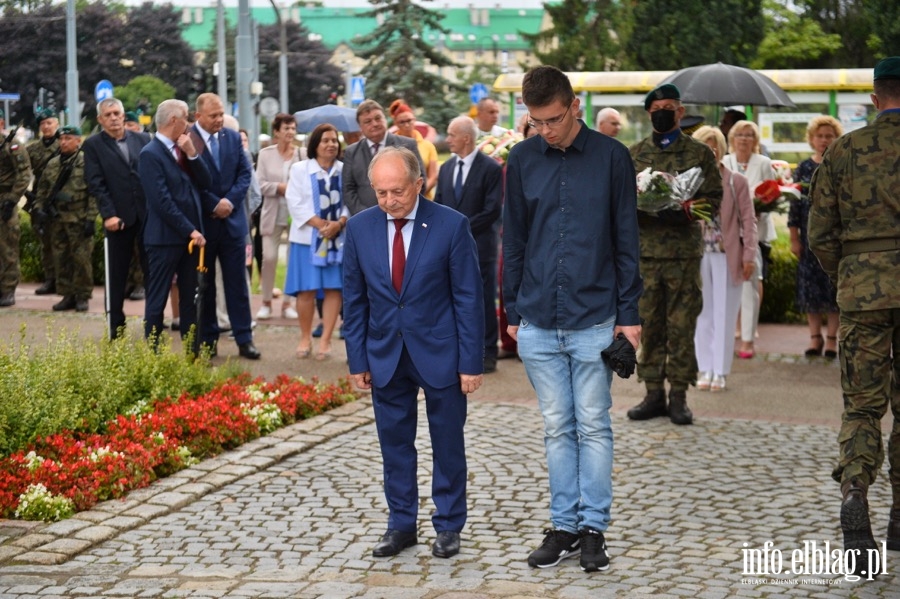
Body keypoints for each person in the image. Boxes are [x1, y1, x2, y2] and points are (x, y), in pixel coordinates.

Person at [504, 65, 642, 572]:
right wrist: (511, 308)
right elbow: (514, 239)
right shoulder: (521, 159)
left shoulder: (612, 158)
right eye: (537, 122)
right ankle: (562, 526)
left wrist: (630, 316)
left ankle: (593, 532)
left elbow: (627, 240)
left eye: (554, 119)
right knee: (556, 426)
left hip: (594, 316)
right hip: (537, 316)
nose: (547, 130)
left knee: (593, 425)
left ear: (574, 105)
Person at [343, 146, 483, 560]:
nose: (388, 201)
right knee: (395, 446)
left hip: (440, 353)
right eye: (380, 193)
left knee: (447, 443)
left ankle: (449, 525)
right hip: (385, 354)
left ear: (419, 184)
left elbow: (468, 299)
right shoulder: (360, 228)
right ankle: (401, 524)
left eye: (397, 192)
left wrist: (470, 363)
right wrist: (358, 360)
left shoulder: (452, 226)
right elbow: (355, 301)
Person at [808, 56, 900, 574]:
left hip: (863, 289)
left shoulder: (844, 149)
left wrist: (853, 271)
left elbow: (821, 233)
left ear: (874, 98)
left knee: (862, 406)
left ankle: (856, 492)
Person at [626, 83, 722, 425]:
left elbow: (713, 203)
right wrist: (641, 208)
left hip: (682, 254)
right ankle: (652, 392)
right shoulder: (634, 154)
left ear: (680, 112)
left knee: (681, 326)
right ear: (649, 113)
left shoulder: (699, 155)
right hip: (647, 255)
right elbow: (620, 202)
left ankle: (679, 394)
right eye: (656, 109)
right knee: (648, 325)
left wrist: (682, 212)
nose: (663, 113)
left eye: (669, 107)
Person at [190, 93, 260, 360]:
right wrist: (214, 203)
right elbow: (190, 180)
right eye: (214, 115)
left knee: (237, 286)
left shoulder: (231, 137)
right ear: (198, 116)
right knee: (205, 285)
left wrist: (229, 201)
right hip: (204, 226)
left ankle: (244, 338)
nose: (220, 119)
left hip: (232, 225)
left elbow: (245, 174)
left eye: (221, 114)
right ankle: (208, 340)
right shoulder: (189, 140)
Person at [138, 99, 211, 347]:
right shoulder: (150, 154)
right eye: (186, 118)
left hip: (189, 240)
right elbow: (162, 202)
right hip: (164, 240)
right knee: (157, 299)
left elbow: (206, 182)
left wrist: (192, 154)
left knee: (189, 299)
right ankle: (153, 354)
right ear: (173, 120)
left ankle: (192, 352)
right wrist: (190, 230)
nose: (189, 123)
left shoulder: (184, 148)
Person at [691, 126, 758, 392]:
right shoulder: (691, 182)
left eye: (715, 145)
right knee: (702, 315)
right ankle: (704, 368)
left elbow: (749, 222)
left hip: (727, 255)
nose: (711, 150)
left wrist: (749, 255)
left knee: (725, 315)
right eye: (705, 146)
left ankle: (720, 371)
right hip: (698, 256)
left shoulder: (735, 181)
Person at [435, 116, 503, 373]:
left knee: (483, 300)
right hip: (449, 250)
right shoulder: (447, 168)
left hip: (480, 247)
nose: (448, 139)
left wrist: (458, 230)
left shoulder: (491, 168)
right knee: (451, 299)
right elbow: (439, 204)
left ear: (466, 137)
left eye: (451, 134)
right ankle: (456, 351)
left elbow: (492, 210)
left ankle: (487, 353)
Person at [83, 97, 151, 339]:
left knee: (152, 273)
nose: (113, 118)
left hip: (145, 217)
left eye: (117, 113)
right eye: (108, 114)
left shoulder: (143, 140)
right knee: (117, 276)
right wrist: (109, 214)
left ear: (124, 116)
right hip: (117, 219)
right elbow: (96, 183)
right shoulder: (93, 145)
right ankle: (116, 328)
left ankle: (153, 326)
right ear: (100, 120)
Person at [283, 124, 348, 360]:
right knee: (306, 290)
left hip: (337, 239)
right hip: (306, 240)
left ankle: (326, 340)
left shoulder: (344, 169)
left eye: (334, 140)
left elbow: (349, 200)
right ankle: (305, 337)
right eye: (325, 140)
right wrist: (321, 225)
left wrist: (339, 223)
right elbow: (294, 201)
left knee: (333, 289)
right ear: (315, 144)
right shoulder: (300, 169)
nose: (331, 144)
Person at [789, 115, 843, 359]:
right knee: (810, 290)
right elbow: (794, 206)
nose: (824, 140)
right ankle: (814, 338)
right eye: (819, 136)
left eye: (828, 136)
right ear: (812, 139)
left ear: (836, 139)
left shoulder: (841, 164)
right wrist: (794, 238)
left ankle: (832, 339)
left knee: (833, 291)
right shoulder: (803, 167)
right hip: (808, 238)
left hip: (834, 238)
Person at [723, 120, 775, 359]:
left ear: (755, 140)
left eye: (749, 135)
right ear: (732, 139)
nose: (744, 139)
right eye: (740, 135)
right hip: (727, 234)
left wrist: (758, 205)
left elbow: (774, 192)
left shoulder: (763, 163)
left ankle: (748, 337)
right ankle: (730, 331)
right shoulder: (725, 162)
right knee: (728, 285)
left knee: (751, 283)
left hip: (756, 231)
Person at [33, 126, 97, 312]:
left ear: (78, 141)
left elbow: (94, 193)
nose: (63, 142)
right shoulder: (52, 164)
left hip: (78, 218)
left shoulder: (86, 163)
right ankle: (67, 294)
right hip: (57, 220)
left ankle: (82, 296)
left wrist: (91, 219)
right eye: (61, 138)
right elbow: (42, 191)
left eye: (68, 138)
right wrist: (39, 210)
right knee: (61, 258)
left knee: (81, 259)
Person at [255, 113, 301, 321]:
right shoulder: (265, 154)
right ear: (276, 132)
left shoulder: (302, 154)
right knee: (270, 257)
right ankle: (265, 302)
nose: (290, 132)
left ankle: (287, 303)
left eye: (293, 128)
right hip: (272, 215)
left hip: (296, 217)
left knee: (293, 260)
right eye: (286, 129)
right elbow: (260, 184)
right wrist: (280, 187)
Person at [341, 100, 424, 216]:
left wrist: (400, 210)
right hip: (366, 220)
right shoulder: (351, 152)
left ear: (385, 119)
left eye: (378, 118)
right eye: (368, 121)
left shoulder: (407, 145)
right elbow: (348, 189)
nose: (374, 124)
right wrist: (365, 215)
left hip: (402, 215)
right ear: (360, 127)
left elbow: (419, 180)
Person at [25, 108, 60, 295]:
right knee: (45, 242)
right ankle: (50, 279)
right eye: (42, 124)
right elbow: (20, 172)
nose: (46, 127)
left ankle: (65, 280)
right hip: (39, 200)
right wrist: (28, 193)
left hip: (60, 200)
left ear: (56, 124)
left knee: (62, 242)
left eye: (49, 123)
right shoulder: (32, 149)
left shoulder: (64, 145)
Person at [0, 110, 33, 307]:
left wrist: (12, 200)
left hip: (5, 201)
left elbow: (23, 174)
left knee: (7, 248)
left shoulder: (12, 146)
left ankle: (8, 290)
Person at [389, 100, 438, 199]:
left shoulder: (428, 145)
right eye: (402, 122)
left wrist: (418, 194)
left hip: (424, 197)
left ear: (414, 119)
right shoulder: (390, 145)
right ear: (396, 123)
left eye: (409, 120)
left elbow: (433, 176)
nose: (406, 125)